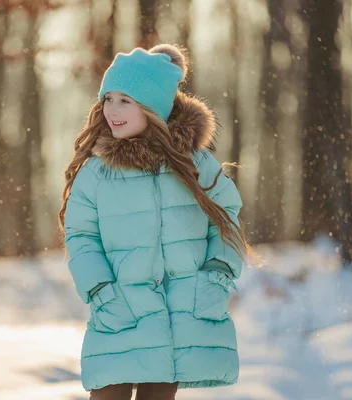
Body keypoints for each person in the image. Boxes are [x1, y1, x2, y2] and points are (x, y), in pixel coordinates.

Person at [58, 43, 257, 400]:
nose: (112, 110)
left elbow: (227, 217)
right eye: (108, 99)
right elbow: (81, 236)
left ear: (153, 108)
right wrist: (101, 291)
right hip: (119, 312)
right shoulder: (96, 173)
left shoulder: (193, 163)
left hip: (178, 315)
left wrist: (216, 274)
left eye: (126, 101)